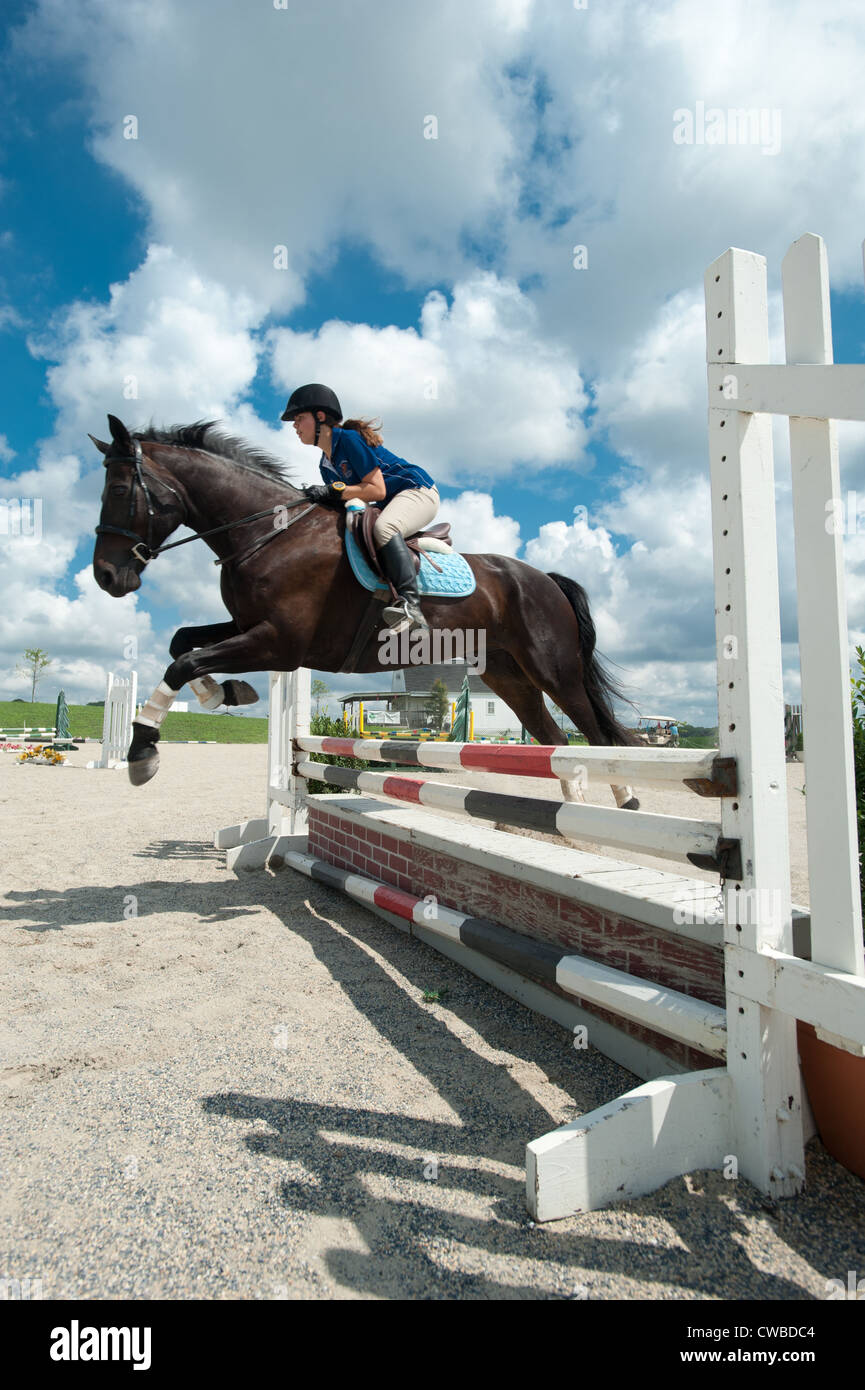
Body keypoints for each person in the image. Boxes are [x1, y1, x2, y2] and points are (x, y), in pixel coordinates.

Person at [281, 384, 438, 633]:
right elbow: (353, 500)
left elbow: (377, 490)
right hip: (391, 501)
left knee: (385, 528)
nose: (294, 426)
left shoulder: (349, 440)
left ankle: (411, 605)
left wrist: (333, 492)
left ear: (320, 417)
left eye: (299, 418)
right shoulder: (325, 465)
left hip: (418, 491)